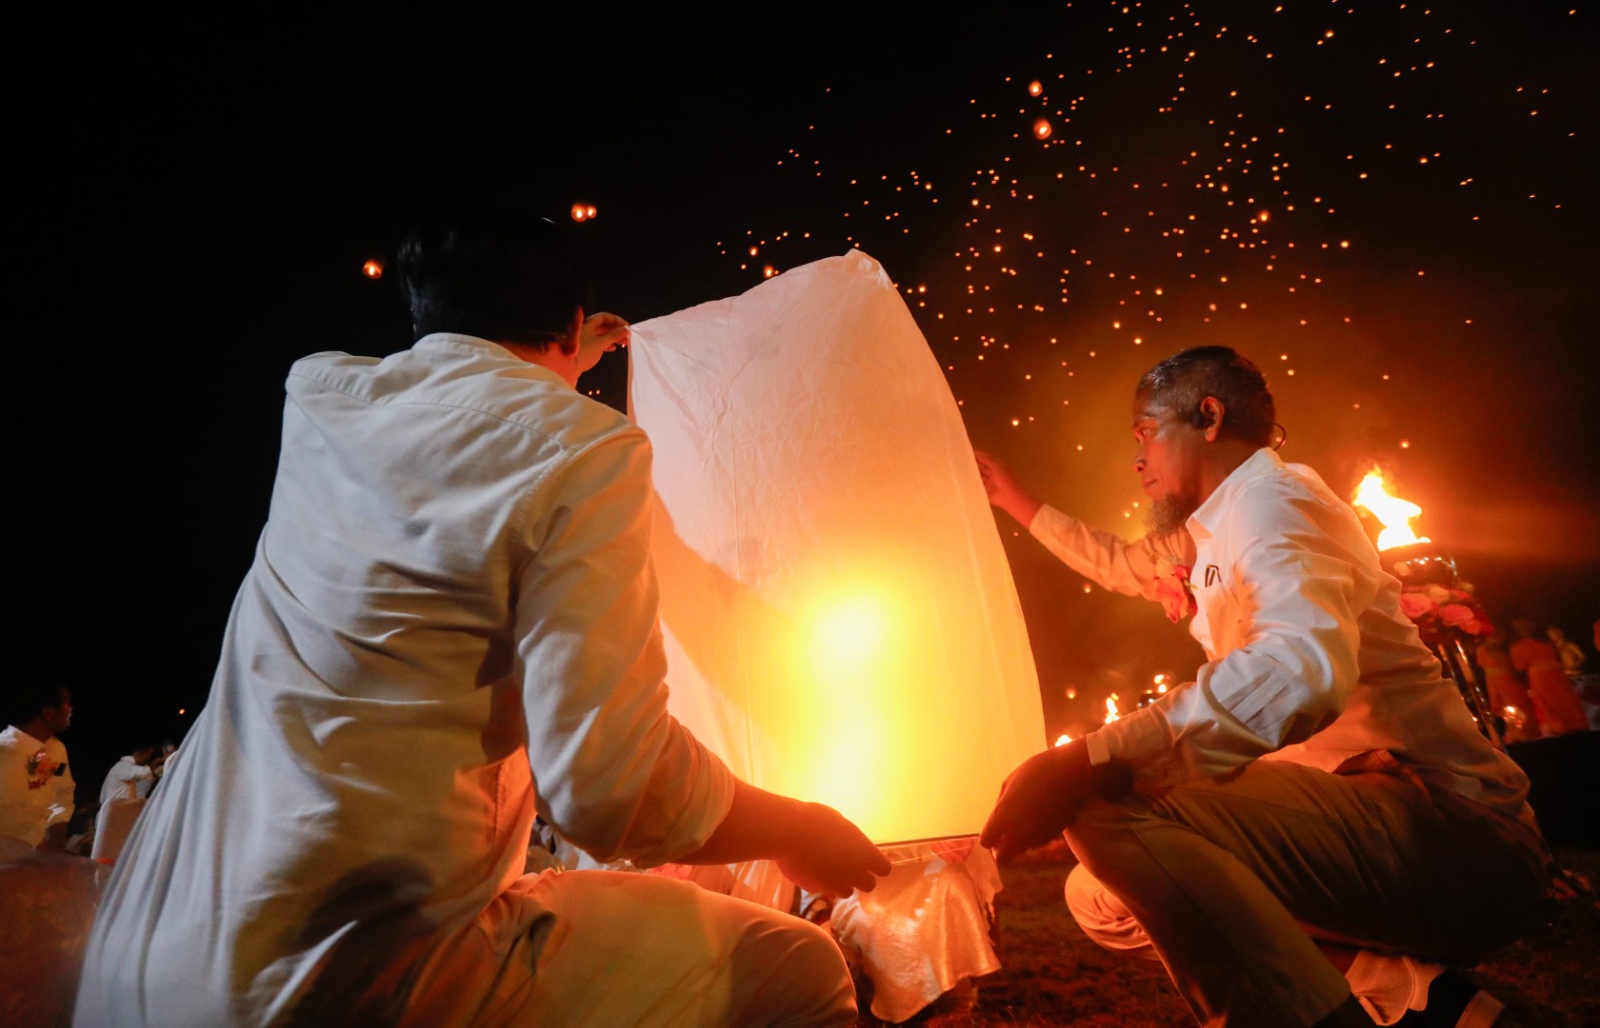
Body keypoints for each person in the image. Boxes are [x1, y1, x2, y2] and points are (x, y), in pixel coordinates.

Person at [75, 209, 889, 1027]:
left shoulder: (319, 397)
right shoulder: (587, 453)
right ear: (570, 323)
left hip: (142, 968)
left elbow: (463, 420)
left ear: (424, 313)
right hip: (341, 974)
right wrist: (794, 826)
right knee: (795, 966)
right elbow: (607, 786)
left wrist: (561, 366)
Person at [976, 346, 1550, 1028]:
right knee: (1098, 895)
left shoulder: (1276, 505)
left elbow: (1296, 667)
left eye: (1146, 433)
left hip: (1456, 837)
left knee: (1108, 803)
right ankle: (1426, 999)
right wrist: (1011, 497)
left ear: (1209, 416)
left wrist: (1091, 756)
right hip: (1370, 826)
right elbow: (1119, 564)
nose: (1137, 460)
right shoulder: (1211, 529)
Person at [0, 684, 76, 851]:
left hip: (33, 858)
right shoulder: (4, 752)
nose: (71, 709)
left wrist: (57, 836)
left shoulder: (57, 752)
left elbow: (63, 792)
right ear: (48, 713)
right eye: (66, 703)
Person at [1509, 618, 1588, 736]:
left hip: (1552, 674)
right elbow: (1520, 667)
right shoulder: (1519, 646)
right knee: (1551, 701)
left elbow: (1558, 657)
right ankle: (1562, 727)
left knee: (1564, 698)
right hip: (1542, 676)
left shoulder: (1545, 642)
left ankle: (1574, 725)